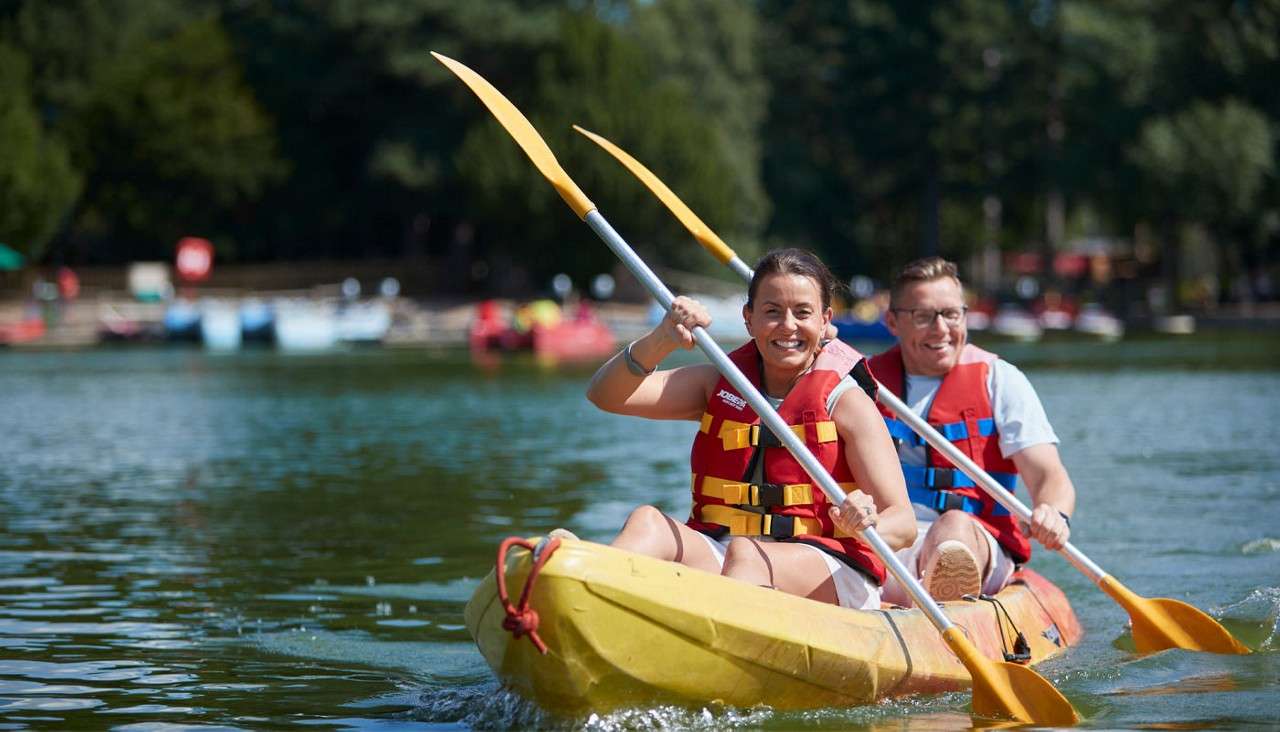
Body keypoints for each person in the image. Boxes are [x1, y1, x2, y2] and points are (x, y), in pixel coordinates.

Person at [584, 249, 915, 610]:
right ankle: (589, 603)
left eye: (802, 312)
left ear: (824, 320)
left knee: (748, 554)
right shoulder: (719, 385)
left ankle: (715, 644)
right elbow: (606, 395)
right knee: (648, 522)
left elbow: (904, 523)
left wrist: (865, 522)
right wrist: (663, 337)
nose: (787, 325)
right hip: (727, 555)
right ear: (749, 319)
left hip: (830, 566)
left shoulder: (848, 402)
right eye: (772, 312)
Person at [866, 257, 1076, 605]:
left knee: (953, 527)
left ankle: (944, 606)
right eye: (923, 316)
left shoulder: (999, 380)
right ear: (892, 321)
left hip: (974, 541)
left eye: (952, 314)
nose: (941, 329)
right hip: (884, 540)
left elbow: (1049, 476)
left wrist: (1054, 511)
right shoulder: (863, 384)